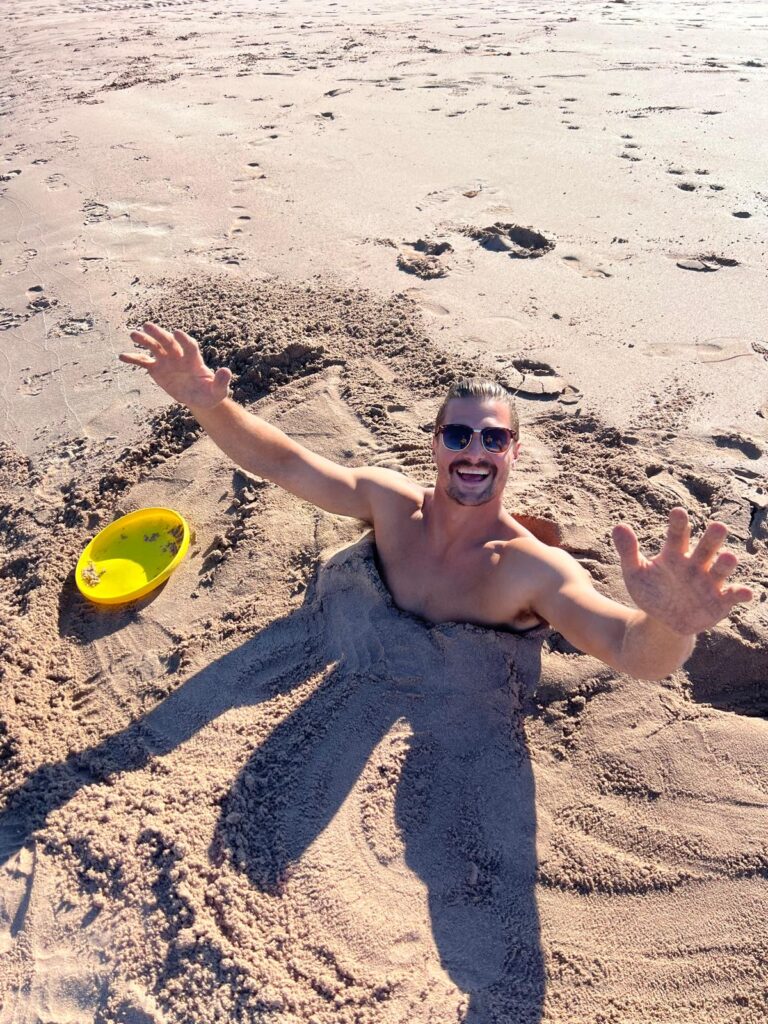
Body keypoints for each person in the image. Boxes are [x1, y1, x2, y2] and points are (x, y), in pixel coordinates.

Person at [120, 322, 753, 681]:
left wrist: (670, 623)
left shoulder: (532, 569)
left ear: (512, 452)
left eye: (493, 438)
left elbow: (627, 650)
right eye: (459, 434)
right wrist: (210, 404)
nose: (474, 451)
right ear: (435, 445)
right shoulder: (391, 505)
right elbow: (283, 461)